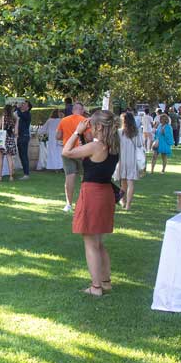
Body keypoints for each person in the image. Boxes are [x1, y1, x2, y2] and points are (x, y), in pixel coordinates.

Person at [62, 110, 120, 297]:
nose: (90, 129)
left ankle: (96, 287)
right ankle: (105, 282)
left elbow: (67, 151)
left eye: (92, 126)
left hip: (93, 194)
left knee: (90, 243)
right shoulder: (113, 146)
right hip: (105, 193)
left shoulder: (97, 147)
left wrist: (77, 132)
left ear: (99, 127)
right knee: (99, 242)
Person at [56, 101, 88, 212]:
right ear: (82, 110)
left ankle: (68, 204)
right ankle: (84, 203)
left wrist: (67, 138)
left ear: (73, 110)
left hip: (67, 151)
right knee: (85, 177)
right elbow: (88, 137)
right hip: (82, 151)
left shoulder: (64, 120)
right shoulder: (84, 121)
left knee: (69, 177)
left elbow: (58, 136)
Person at [116, 112, 144, 211]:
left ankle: (123, 201)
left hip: (122, 159)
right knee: (130, 182)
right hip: (132, 159)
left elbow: (116, 146)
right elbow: (140, 145)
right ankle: (127, 204)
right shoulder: (136, 132)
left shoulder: (119, 132)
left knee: (123, 182)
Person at [0, 104, 17, 183]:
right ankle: (11, 177)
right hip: (10, 138)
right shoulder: (14, 119)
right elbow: (16, 132)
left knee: (0, 158)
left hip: (2, 139)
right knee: (9, 158)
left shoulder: (2, 118)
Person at [15, 100, 32, 180]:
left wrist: (17, 108)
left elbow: (20, 114)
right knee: (21, 155)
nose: (22, 104)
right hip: (20, 136)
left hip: (24, 137)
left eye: (24, 104)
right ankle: (25, 173)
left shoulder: (27, 114)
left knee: (24, 155)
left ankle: (26, 174)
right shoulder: (22, 113)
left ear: (28, 107)